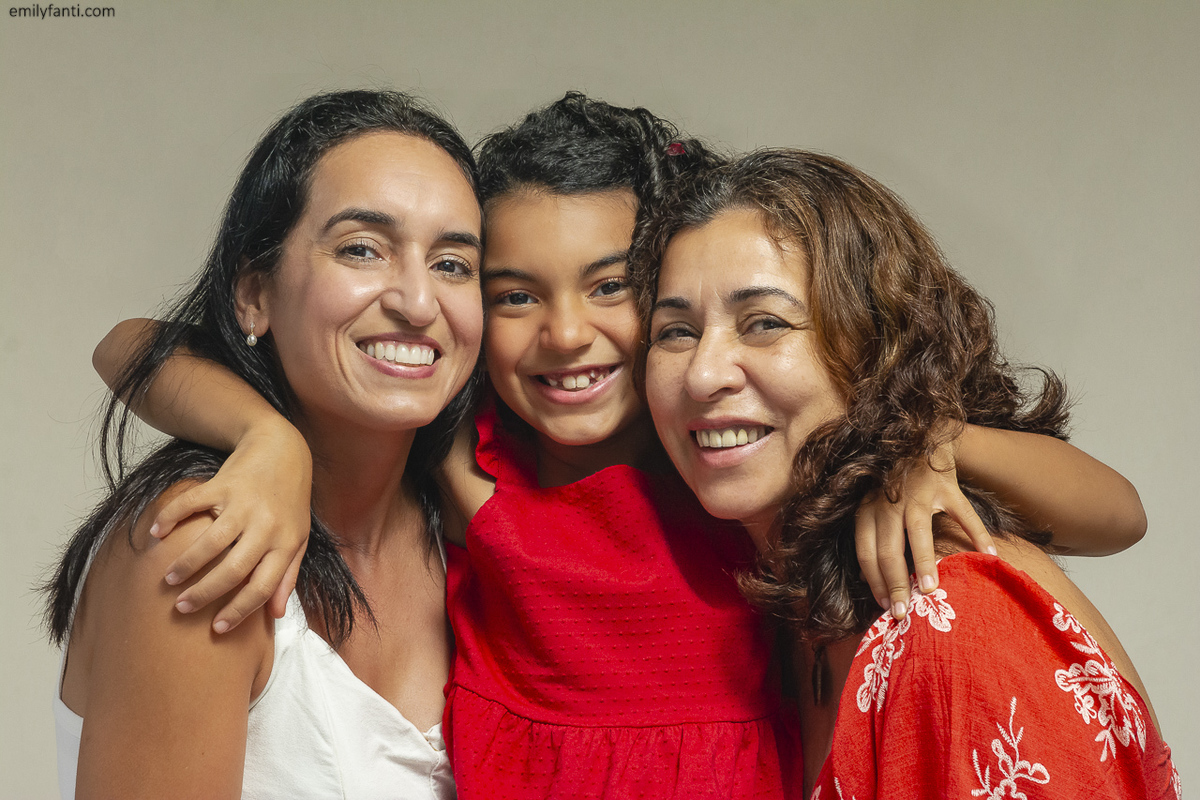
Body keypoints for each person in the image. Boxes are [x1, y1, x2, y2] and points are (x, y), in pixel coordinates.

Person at [92, 96, 1148, 799]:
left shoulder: (731, 487)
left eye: (617, 291)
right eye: (511, 293)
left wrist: (927, 443)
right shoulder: (466, 462)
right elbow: (137, 342)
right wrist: (265, 435)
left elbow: (1116, 513)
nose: (565, 333)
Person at [639, 149, 1179, 798]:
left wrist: (924, 432)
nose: (703, 373)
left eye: (764, 324)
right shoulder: (770, 615)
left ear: (872, 348)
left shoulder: (945, 623)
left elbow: (1123, 514)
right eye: (675, 332)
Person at [45, 89, 485, 799]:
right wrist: (270, 437)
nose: (418, 300)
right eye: (362, 248)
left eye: (453, 263)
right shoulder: (204, 544)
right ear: (254, 294)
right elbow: (125, 345)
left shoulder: (467, 520)